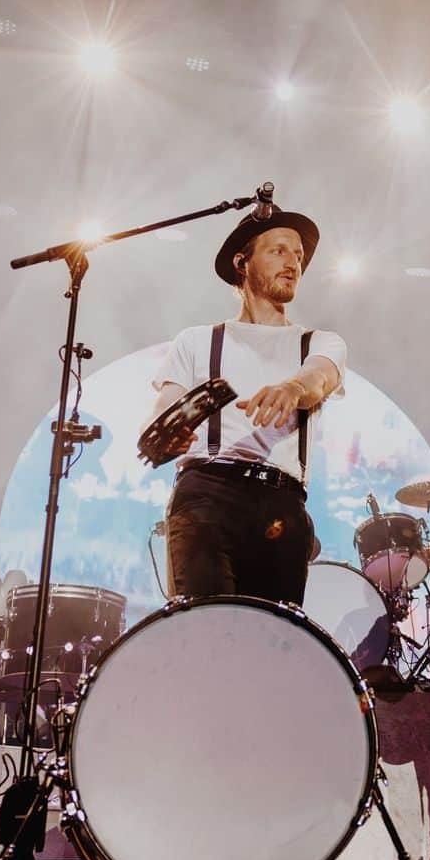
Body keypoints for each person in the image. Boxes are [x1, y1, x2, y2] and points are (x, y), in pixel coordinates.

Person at [147, 205, 345, 606]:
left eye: (299, 256)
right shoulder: (197, 340)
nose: (293, 264)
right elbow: (164, 412)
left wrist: (292, 388)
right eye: (279, 251)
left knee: (271, 645)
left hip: (282, 506)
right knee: (206, 631)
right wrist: (166, 435)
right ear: (243, 262)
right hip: (206, 495)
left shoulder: (320, 342)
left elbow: (319, 377)